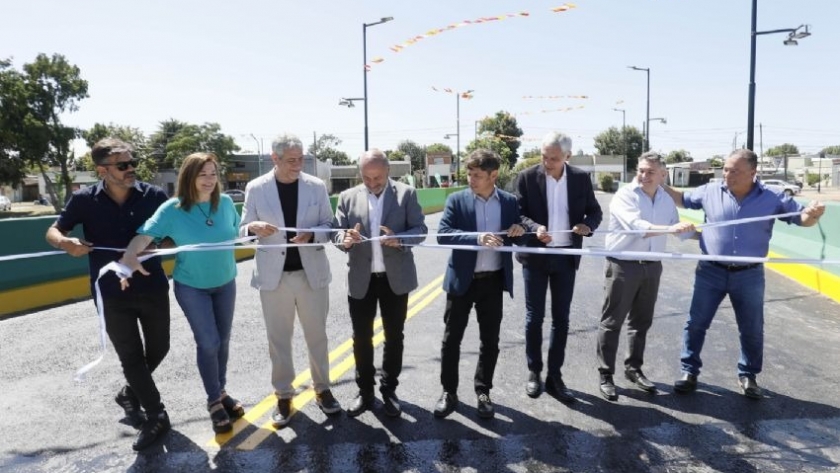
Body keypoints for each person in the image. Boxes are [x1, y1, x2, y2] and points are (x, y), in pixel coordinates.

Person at [663, 149, 825, 399]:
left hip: (749, 275)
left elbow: (802, 218)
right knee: (696, 324)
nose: (728, 174)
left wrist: (813, 215)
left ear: (753, 172)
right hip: (710, 272)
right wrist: (660, 182)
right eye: (726, 169)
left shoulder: (772, 197)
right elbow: (682, 199)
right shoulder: (710, 190)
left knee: (751, 328)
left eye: (735, 171)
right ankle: (689, 371)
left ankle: (748, 375)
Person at [45, 138, 171, 451]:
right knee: (130, 354)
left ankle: (129, 394)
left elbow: (174, 236)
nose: (131, 169)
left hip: (152, 286)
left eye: (132, 163)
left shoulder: (153, 195)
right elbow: (53, 230)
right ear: (103, 170)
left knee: (159, 347)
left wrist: (159, 245)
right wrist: (66, 243)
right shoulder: (84, 199)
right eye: (123, 165)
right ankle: (156, 414)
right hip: (110, 293)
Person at [120, 152, 245, 432]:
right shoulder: (173, 209)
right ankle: (214, 400)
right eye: (203, 174)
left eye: (213, 174)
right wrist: (130, 256)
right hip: (192, 286)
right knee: (209, 342)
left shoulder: (225, 203)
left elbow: (236, 233)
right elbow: (144, 236)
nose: (209, 180)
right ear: (189, 177)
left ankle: (221, 391)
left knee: (223, 341)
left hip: (226, 282)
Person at [239, 134, 341, 427]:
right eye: (291, 160)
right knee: (279, 340)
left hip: (311, 275)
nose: (298, 165)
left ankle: (322, 390)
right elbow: (243, 228)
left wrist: (312, 234)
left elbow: (329, 225)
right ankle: (284, 395)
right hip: (275, 278)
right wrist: (252, 227)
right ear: (275, 159)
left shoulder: (316, 186)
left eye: (301, 159)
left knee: (317, 337)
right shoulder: (256, 189)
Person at [333, 149, 427, 418]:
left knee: (394, 336)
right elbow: (335, 232)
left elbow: (420, 230)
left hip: (395, 280)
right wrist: (345, 239)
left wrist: (400, 239)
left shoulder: (406, 194)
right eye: (367, 178)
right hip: (362, 280)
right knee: (361, 338)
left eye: (378, 178)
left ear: (388, 172)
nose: (373, 183)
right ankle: (365, 392)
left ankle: (389, 390)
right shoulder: (347, 197)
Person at [432, 149, 525, 419]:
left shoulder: (508, 202)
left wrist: (518, 232)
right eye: (469, 174)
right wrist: (477, 238)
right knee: (451, 341)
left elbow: (519, 235)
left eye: (477, 175)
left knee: (490, 341)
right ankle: (448, 392)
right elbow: (443, 235)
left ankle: (483, 391)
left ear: (493, 175)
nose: (471, 179)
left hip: (493, 281)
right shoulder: (456, 200)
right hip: (462, 281)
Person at [595, 152, 695, 401]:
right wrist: (671, 229)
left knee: (641, 322)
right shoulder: (625, 195)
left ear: (663, 175)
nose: (643, 176)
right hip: (623, 266)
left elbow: (679, 230)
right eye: (640, 170)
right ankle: (606, 374)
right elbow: (636, 226)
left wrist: (708, 236)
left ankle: (633, 369)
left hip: (652, 267)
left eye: (650, 172)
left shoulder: (665, 200)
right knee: (612, 322)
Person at [515, 131, 602, 401]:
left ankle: (555, 376)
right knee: (534, 318)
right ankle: (534, 372)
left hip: (565, 256)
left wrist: (587, 227)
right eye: (544, 156)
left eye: (553, 158)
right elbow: (517, 213)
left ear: (567, 156)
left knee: (561, 320)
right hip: (536, 257)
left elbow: (595, 212)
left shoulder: (579, 179)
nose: (547, 162)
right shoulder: (527, 177)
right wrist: (534, 228)